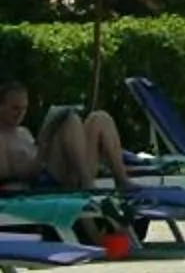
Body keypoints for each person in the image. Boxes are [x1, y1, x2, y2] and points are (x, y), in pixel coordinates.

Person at [0, 81, 132, 193]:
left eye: (24, 109)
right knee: (70, 121)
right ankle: (86, 181)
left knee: (100, 118)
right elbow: (8, 178)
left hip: (67, 171)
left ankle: (122, 181)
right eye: (15, 108)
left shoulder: (24, 132)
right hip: (45, 183)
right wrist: (43, 147)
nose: (20, 114)